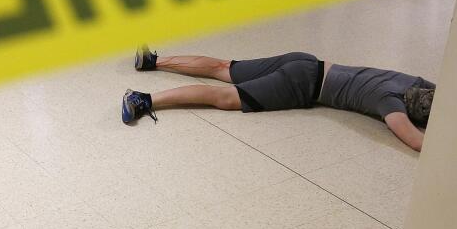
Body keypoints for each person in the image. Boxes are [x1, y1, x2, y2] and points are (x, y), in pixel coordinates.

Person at [121, 46, 436, 152]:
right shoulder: (390, 103)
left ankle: (152, 60)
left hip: (305, 61)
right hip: (303, 85)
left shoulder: (414, 83)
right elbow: (416, 141)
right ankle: (144, 99)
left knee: (222, 68)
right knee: (225, 98)